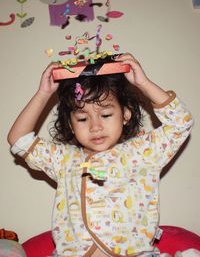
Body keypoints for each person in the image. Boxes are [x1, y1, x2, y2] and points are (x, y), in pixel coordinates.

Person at [7, 53, 194, 257]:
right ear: (70, 124)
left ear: (126, 114)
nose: (95, 127)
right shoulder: (63, 159)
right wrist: (43, 93)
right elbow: (18, 139)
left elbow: (181, 123)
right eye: (82, 118)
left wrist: (143, 83)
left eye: (105, 115)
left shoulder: (143, 152)